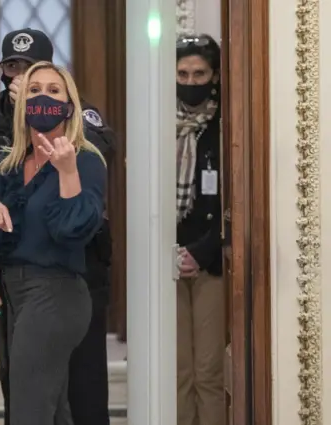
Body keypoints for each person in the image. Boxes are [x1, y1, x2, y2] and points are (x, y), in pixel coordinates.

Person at [0, 28, 115, 425]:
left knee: (70, 399)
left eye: (48, 85)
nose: (26, 83)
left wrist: (65, 161)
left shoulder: (82, 141)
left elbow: (76, 215)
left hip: (69, 282)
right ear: (3, 72)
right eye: (15, 69)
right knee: (43, 405)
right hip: (14, 287)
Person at [175, 34, 225, 425]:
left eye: (199, 74)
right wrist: (173, 252)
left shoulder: (226, 126)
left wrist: (198, 252)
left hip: (210, 260)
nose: (191, 82)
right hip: (169, 259)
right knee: (178, 372)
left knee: (208, 372)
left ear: (214, 76)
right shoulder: (160, 124)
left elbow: (232, 201)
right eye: (183, 74)